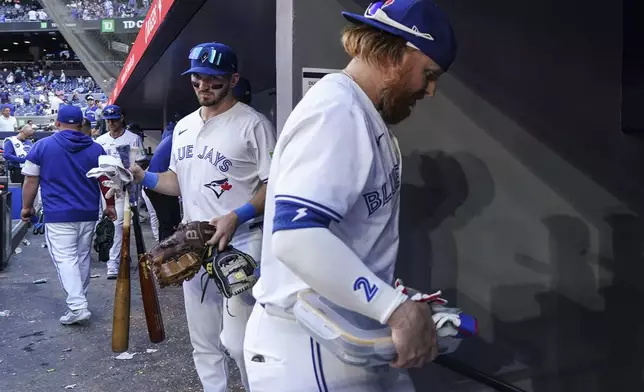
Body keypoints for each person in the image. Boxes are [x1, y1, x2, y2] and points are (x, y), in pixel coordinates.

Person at [242, 1, 457, 391]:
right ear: (399, 53)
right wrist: (396, 310)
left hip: (339, 339)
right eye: (429, 74)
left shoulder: (361, 113)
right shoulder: (337, 111)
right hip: (306, 345)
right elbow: (296, 238)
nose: (430, 90)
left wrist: (392, 299)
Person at [130, 42, 276, 392]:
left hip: (241, 241)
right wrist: (142, 176)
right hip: (193, 241)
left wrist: (236, 216)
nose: (203, 86)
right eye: (197, 78)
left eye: (213, 79)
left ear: (233, 79)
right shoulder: (182, 126)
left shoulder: (253, 124)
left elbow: (275, 185)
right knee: (204, 342)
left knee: (241, 343)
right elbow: (177, 183)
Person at [20, 105, 116, 325]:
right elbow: (106, 180)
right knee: (81, 258)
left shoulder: (42, 146)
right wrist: (109, 205)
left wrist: (27, 207)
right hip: (88, 212)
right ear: (81, 123)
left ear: (57, 123)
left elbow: (30, 180)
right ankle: (78, 302)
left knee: (65, 260)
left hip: (58, 214)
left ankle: (77, 305)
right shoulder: (96, 148)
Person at [95, 104, 146, 279]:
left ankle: (123, 255)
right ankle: (113, 262)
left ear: (121, 118)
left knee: (128, 224)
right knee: (114, 224)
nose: (111, 123)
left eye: (114, 120)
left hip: (129, 185)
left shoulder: (133, 138)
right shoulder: (100, 140)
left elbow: (142, 162)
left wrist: (130, 170)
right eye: (108, 120)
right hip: (109, 187)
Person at [143, 130, 180, 241]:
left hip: (153, 182)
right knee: (170, 225)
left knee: (166, 224)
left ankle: (162, 252)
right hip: (159, 184)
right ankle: (165, 256)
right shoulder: (178, 138)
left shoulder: (171, 137)